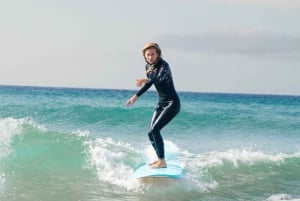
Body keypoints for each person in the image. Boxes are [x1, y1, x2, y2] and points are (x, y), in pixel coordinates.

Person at [126, 42, 180, 168]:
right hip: (161, 103)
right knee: (151, 132)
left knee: (156, 130)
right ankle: (160, 159)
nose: (150, 57)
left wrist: (145, 79)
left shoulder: (164, 66)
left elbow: (159, 79)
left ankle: (162, 161)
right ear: (144, 56)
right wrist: (135, 96)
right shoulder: (148, 67)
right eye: (148, 55)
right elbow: (150, 83)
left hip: (172, 104)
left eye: (153, 54)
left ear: (158, 54)